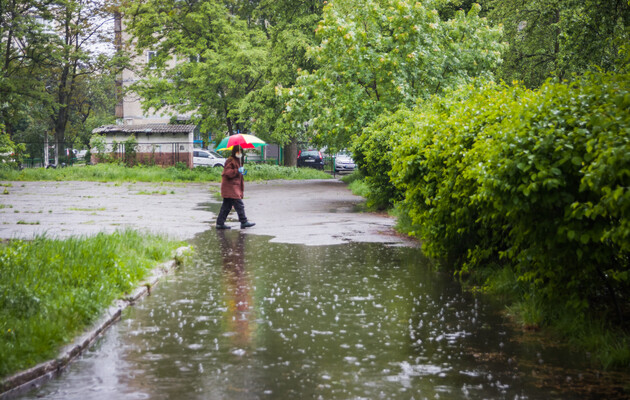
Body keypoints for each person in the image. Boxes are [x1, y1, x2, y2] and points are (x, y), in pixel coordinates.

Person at [216, 144, 256, 230]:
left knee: (226, 206)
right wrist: (237, 171)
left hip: (233, 187)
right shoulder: (230, 160)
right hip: (231, 187)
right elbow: (227, 172)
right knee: (239, 204)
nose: (240, 153)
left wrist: (241, 172)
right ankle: (244, 221)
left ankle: (220, 223)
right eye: (238, 151)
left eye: (241, 151)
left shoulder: (238, 160)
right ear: (234, 152)